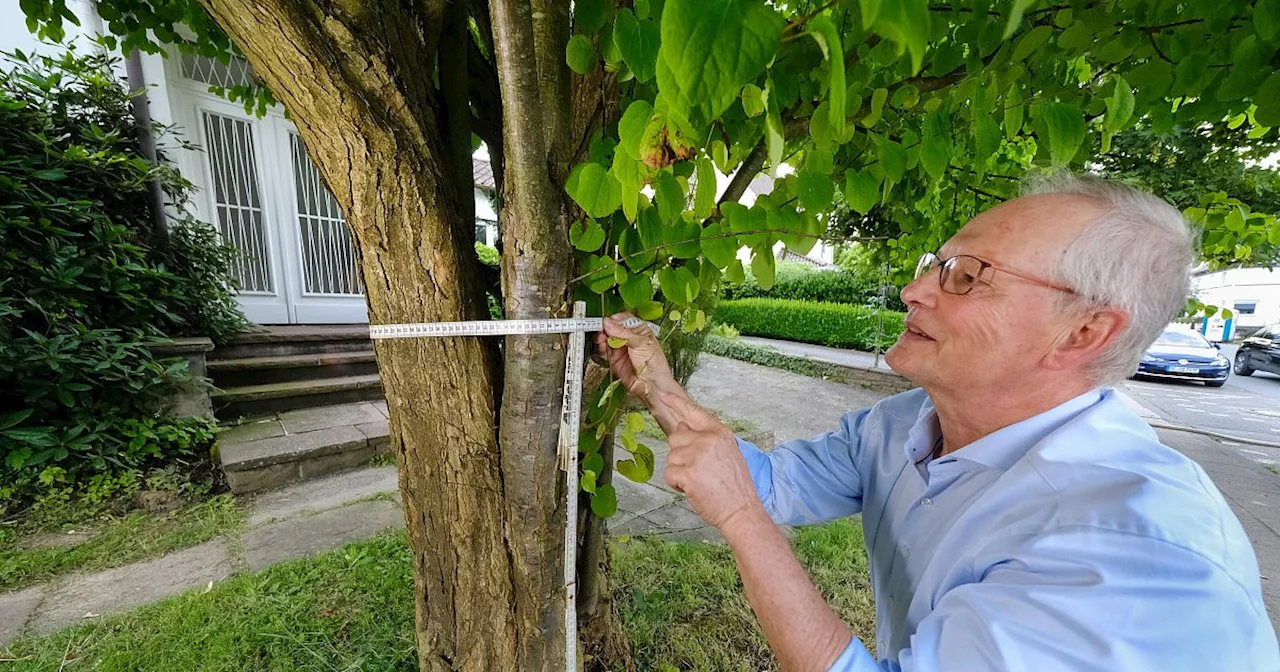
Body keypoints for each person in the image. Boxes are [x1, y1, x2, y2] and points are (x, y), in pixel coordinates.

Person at [596, 173, 1280, 671]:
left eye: (967, 276)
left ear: (1082, 333)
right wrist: (656, 384)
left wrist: (741, 517)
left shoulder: (1134, 556)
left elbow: (751, 499)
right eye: (936, 264)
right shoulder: (905, 424)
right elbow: (771, 481)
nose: (913, 290)